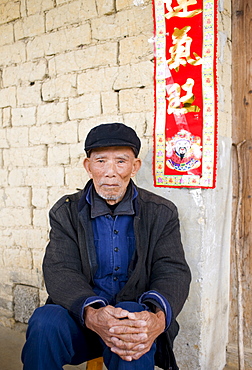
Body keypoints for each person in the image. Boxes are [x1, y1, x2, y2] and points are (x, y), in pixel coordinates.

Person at [21, 122, 191, 370]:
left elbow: (172, 270)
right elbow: (60, 269)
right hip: (81, 319)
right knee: (45, 321)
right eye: (101, 161)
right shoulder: (66, 211)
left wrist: (157, 318)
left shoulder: (161, 212)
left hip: (133, 318)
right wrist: (92, 313)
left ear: (135, 167)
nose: (110, 172)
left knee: (130, 326)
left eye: (121, 161)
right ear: (88, 167)